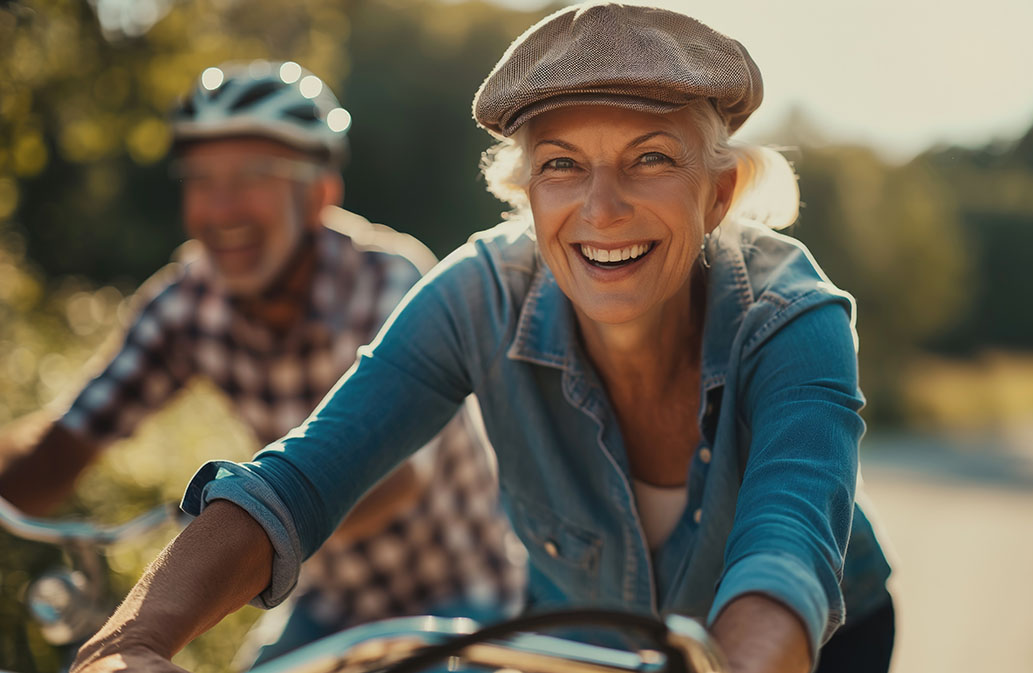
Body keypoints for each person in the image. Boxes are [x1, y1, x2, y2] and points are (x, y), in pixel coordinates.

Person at [70, 6, 894, 673]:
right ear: (526, 193)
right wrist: (129, 642)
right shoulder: (478, 294)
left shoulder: (792, 319)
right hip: (588, 646)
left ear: (716, 195)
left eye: (649, 159)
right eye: (563, 166)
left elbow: (783, 556)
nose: (600, 210)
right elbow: (299, 479)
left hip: (809, 646)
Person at [0, 61, 523, 663]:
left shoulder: (386, 280)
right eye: (199, 179)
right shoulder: (188, 303)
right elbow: (69, 436)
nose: (220, 208)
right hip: (324, 604)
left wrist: (220, 529)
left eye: (253, 176)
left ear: (321, 193)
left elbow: (394, 480)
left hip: (462, 601)